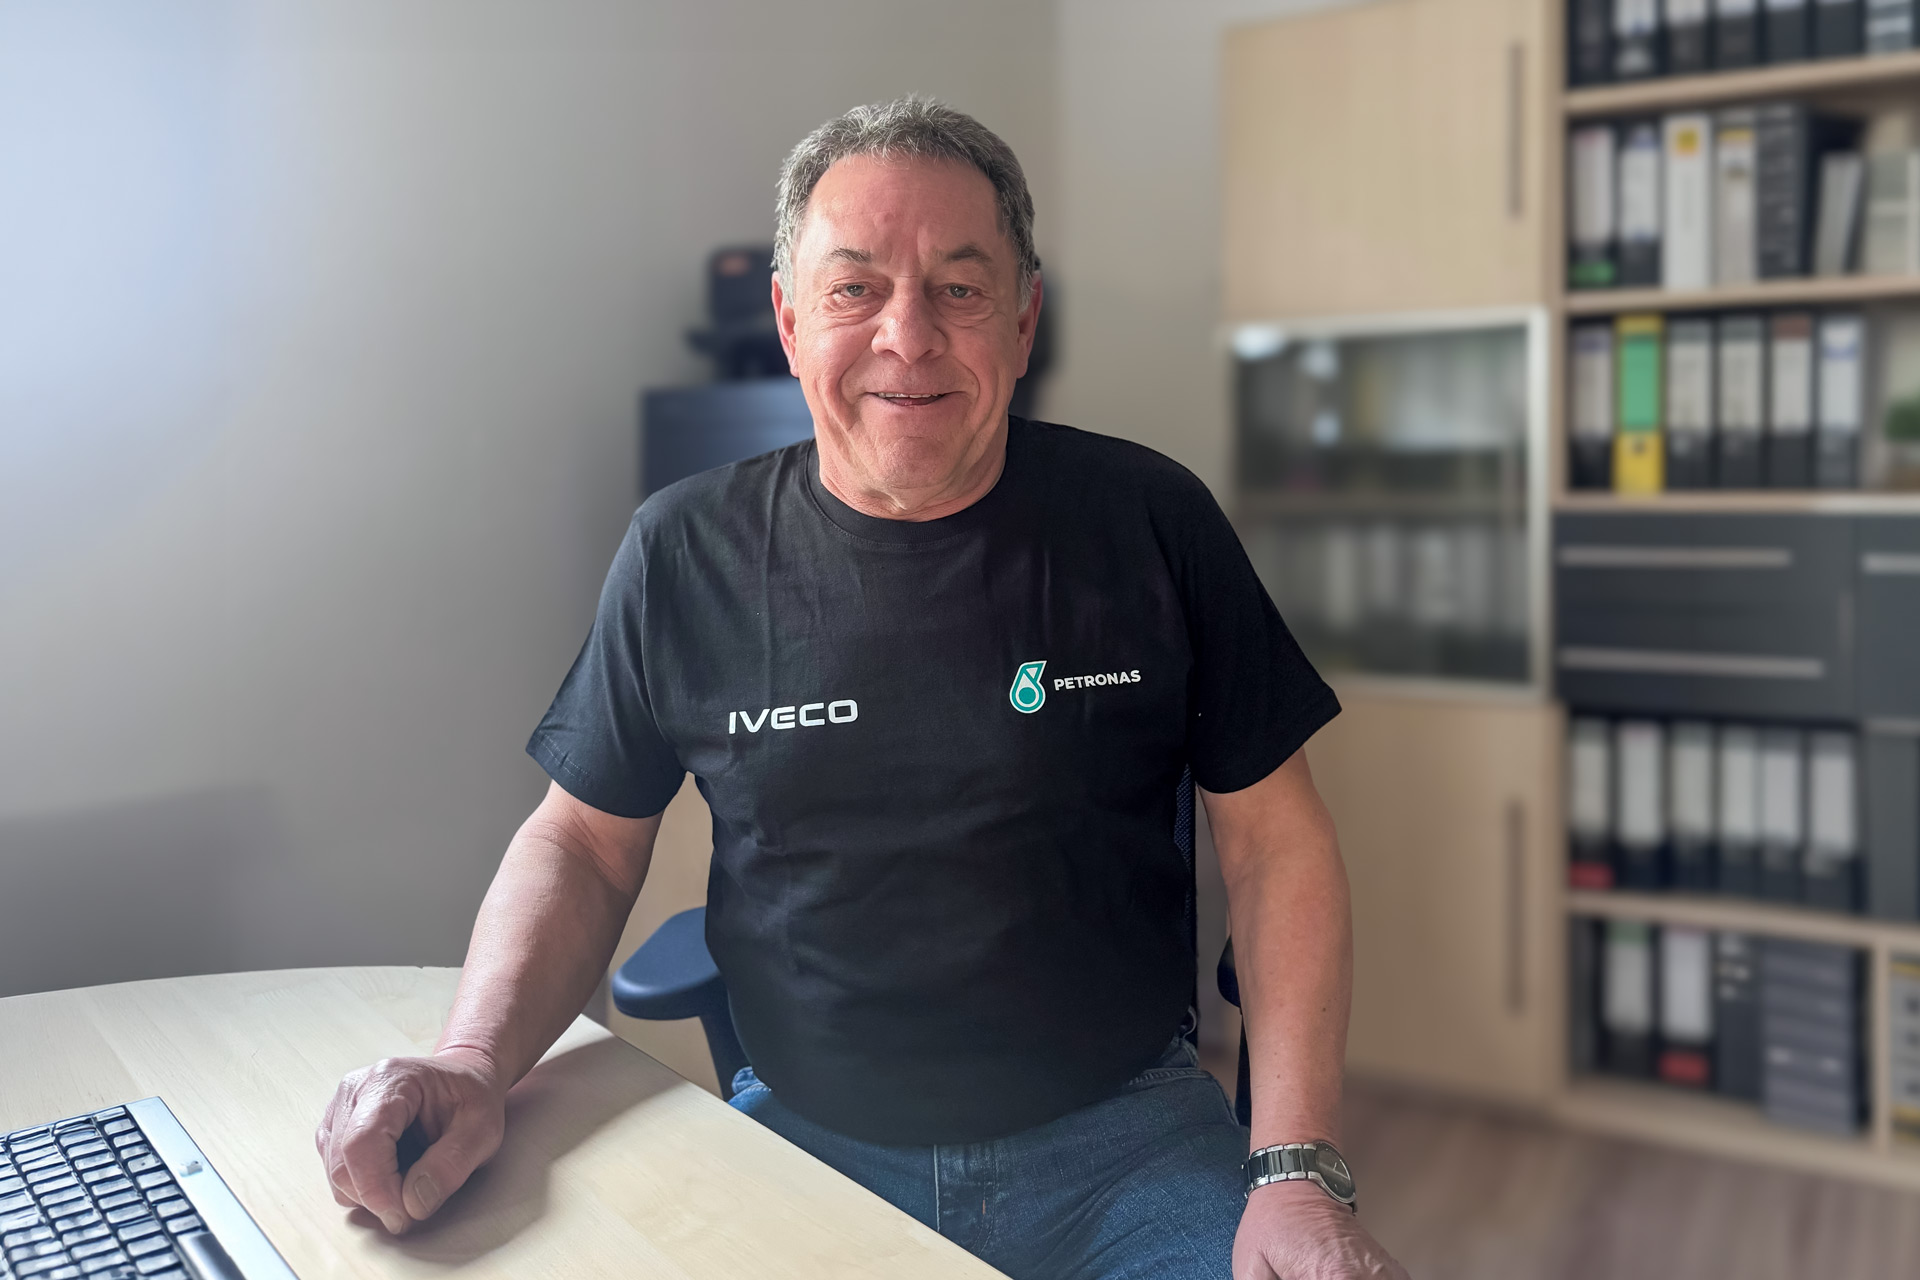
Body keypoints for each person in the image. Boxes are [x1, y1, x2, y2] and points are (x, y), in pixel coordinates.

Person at [315, 97, 1409, 1280]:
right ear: (790, 321)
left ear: (1024, 319)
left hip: (1128, 1145)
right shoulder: (684, 552)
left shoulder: (1153, 522)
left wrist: (1296, 1167)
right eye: (854, 289)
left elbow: (1276, 841)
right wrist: (474, 1059)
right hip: (806, 1139)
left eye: (959, 287)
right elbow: (582, 841)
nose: (908, 335)